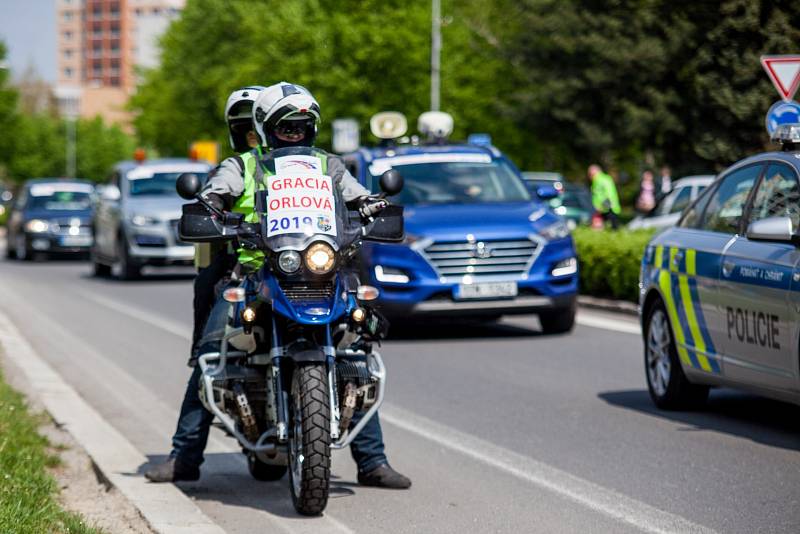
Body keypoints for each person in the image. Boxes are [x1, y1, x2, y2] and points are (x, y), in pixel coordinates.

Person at [145, 82, 411, 490]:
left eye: (302, 125)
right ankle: (184, 457)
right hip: (256, 270)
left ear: (313, 127)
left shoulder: (330, 165)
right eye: (285, 125)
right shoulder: (243, 166)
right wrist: (211, 206)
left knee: (353, 346)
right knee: (208, 355)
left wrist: (370, 204)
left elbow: (357, 197)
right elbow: (216, 193)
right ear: (265, 126)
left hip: (321, 270)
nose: (294, 131)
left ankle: (372, 461)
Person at [191, 86, 265, 355]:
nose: (252, 136)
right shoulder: (234, 166)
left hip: (302, 256)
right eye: (245, 129)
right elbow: (214, 194)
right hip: (244, 257)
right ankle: (201, 355)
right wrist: (211, 205)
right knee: (208, 287)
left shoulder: (308, 165)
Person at [588, 164, 621, 229]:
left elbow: (610, 193)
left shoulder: (603, 179)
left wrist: (603, 205)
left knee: (614, 226)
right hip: (603, 207)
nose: (589, 176)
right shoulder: (597, 179)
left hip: (608, 207)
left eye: (590, 173)